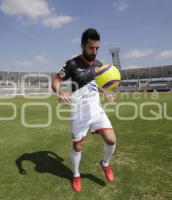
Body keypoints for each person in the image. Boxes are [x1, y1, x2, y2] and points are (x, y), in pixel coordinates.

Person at [52, 28, 117, 192]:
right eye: (91, 48)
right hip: (79, 113)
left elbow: (101, 84)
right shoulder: (72, 64)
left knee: (111, 140)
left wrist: (107, 93)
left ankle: (105, 163)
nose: (94, 52)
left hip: (96, 110)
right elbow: (56, 82)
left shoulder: (99, 65)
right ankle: (76, 175)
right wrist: (61, 91)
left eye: (97, 48)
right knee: (78, 147)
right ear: (83, 45)